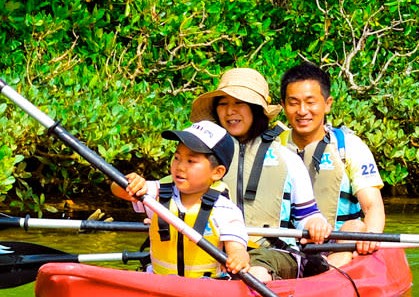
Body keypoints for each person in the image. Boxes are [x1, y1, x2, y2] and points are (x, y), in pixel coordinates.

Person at [123, 120, 292, 280]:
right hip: (158, 283)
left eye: (191, 161)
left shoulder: (225, 210)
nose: (180, 166)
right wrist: (131, 182)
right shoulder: (157, 192)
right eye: (177, 158)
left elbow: (237, 250)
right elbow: (120, 189)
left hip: (207, 288)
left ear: (217, 172)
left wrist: (238, 258)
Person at [187, 67, 330, 250]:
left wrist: (316, 224)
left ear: (256, 109)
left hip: (270, 252)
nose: (230, 111)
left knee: (256, 272)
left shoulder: (288, 159)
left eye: (239, 103)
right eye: (223, 103)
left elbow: (307, 216)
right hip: (213, 251)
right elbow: (172, 196)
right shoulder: (199, 156)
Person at [277, 62, 383, 271]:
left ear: (327, 104)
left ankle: (325, 273)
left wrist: (370, 237)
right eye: (294, 103)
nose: (302, 111)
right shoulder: (272, 147)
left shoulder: (349, 146)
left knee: (357, 226)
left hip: (339, 241)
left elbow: (372, 206)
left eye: (310, 102)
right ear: (283, 105)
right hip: (289, 243)